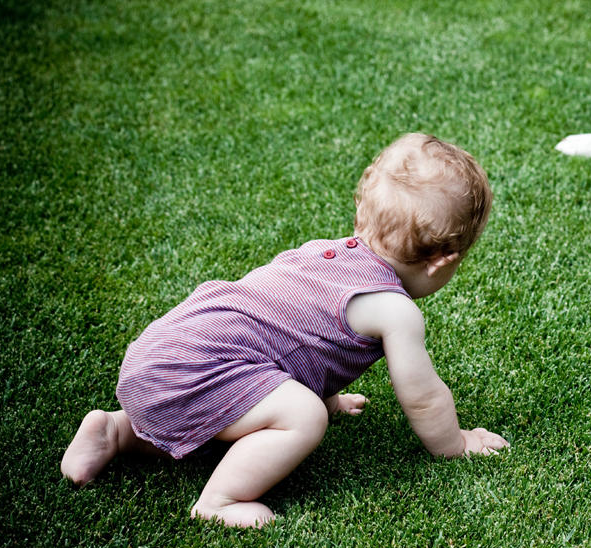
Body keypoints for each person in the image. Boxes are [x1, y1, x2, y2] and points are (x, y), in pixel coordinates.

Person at [60, 133, 508, 528]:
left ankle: (116, 432)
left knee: (252, 400)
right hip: (196, 369)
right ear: (441, 262)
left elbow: (290, 336)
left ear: (361, 210)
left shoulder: (321, 254)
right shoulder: (395, 309)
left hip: (161, 354)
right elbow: (422, 395)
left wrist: (328, 394)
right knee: (302, 415)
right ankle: (220, 500)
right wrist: (456, 442)